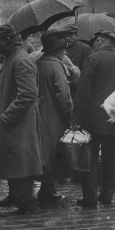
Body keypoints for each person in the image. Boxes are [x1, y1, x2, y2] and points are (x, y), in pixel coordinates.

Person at [0, 24, 43, 216]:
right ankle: (14, 195)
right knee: (13, 161)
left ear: (8, 40)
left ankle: (24, 203)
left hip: (19, 123)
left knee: (21, 163)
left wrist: (7, 116)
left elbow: (27, 95)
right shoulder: (11, 58)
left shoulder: (20, 61)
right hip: (12, 122)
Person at [71, 30, 115, 208]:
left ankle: (89, 198)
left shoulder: (93, 59)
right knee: (110, 160)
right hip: (114, 118)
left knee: (88, 158)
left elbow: (84, 91)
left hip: (92, 118)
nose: (94, 44)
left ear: (101, 41)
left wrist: (76, 117)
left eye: (96, 40)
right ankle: (107, 195)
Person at [35, 30, 73, 204]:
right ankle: (48, 190)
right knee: (53, 153)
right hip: (54, 116)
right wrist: (69, 115)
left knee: (44, 152)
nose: (65, 52)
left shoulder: (38, 63)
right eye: (64, 49)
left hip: (38, 114)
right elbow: (64, 96)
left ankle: (46, 188)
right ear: (59, 50)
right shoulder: (56, 65)